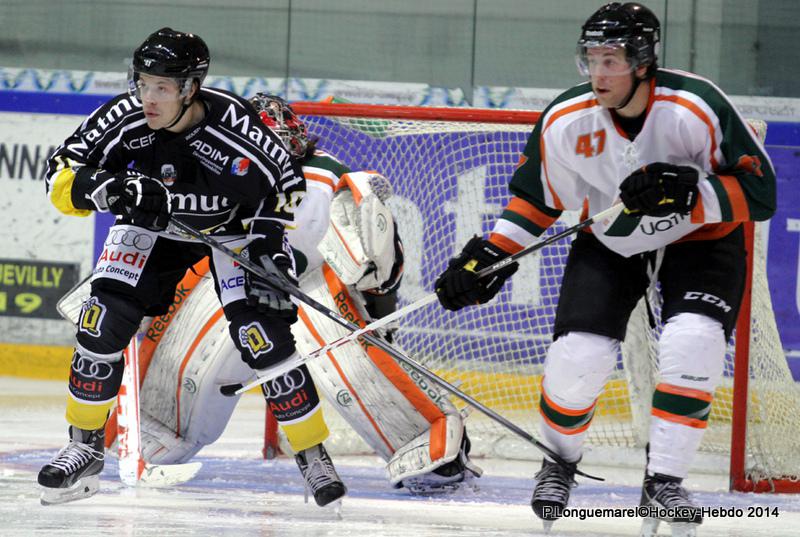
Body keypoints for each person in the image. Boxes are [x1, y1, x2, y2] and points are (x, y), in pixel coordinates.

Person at [434, 2, 775, 534]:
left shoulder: (696, 105)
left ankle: (664, 482)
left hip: (702, 241)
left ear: (643, 62)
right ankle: (559, 463)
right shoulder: (567, 118)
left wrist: (689, 191)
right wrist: (491, 256)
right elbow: (538, 199)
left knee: (694, 342)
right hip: (612, 242)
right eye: (591, 59)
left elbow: (761, 191)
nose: (599, 73)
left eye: (611, 60)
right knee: (578, 358)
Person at [38, 28, 345, 507]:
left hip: (230, 229)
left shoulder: (235, 125)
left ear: (190, 88)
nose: (148, 98)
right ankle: (84, 447)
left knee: (263, 335)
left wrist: (269, 245)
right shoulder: (125, 117)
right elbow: (59, 175)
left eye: (162, 87)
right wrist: (106, 188)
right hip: (154, 225)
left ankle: (312, 454)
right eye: (142, 83)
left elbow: (284, 182)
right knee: (102, 321)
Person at [125, 94, 481, 494]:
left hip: (313, 287)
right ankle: (158, 425)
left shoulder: (327, 176)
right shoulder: (210, 170)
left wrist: (377, 309)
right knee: (180, 383)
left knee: (354, 373)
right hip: (235, 278)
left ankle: (426, 442)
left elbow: (375, 267)